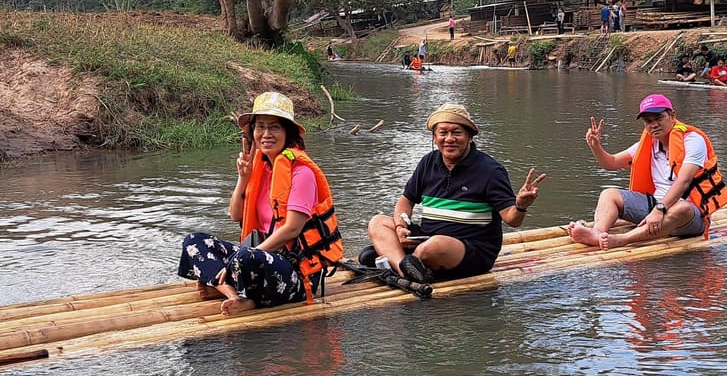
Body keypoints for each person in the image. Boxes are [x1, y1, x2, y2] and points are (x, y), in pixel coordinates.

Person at [177, 92, 344, 315]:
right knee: (194, 241)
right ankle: (231, 293)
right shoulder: (260, 168)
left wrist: (240, 258)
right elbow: (236, 216)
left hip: (295, 271)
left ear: (288, 132)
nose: (266, 134)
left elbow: (292, 229)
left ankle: (233, 290)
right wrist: (243, 177)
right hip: (260, 258)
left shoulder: (302, 173)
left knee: (246, 257)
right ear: (252, 132)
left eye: (274, 127)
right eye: (260, 127)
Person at [365, 103, 546, 283]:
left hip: (471, 249)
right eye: (443, 133)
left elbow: (512, 219)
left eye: (457, 132)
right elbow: (406, 201)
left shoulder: (490, 171)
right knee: (378, 222)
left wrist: (520, 205)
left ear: (469, 136)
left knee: (433, 247)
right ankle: (406, 269)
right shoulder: (428, 163)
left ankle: (400, 263)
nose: (449, 139)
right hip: (427, 237)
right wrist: (400, 227)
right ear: (434, 137)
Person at [567, 93, 727, 250]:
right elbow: (611, 163)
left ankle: (622, 240)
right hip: (655, 206)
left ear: (672, 115)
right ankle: (597, 232)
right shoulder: (648, 143)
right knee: (609, 194)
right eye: (648, 121)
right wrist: (595, 146)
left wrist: (659, 210)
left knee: (682, 208)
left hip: (690, 216)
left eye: (659, 118)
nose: (653, 125)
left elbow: (684, 181)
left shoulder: (693, 140)